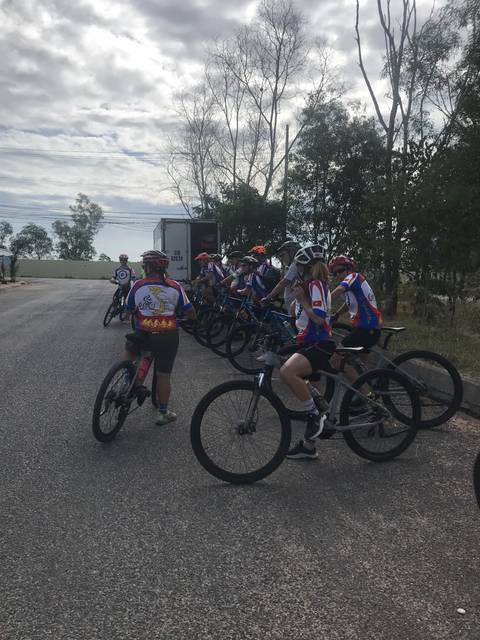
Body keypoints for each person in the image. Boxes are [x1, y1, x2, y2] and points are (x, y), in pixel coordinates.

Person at [123, 250, 196, 425]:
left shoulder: (138, 285)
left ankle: (125, 378)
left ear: (149, 267)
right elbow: (191, 312)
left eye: (144, 265)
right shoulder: (175, 286)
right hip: (167, 335)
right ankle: (163, 413)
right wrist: (187, 318)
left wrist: (134, 313)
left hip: (143, 332)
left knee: (129, 349)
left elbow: (127, 310)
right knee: (163, 375)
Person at [278, 244, 336, 460]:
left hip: (319, 343)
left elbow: (320, 319)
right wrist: (297, 303)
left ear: (303, 267)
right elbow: (301, 314)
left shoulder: (316, 285)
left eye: (298, 267)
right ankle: (309, 446)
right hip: (309, 341)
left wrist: (301, 300)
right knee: (311, 389)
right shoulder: (309, 286)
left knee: (287, 372)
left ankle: (313, 416)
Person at [328, 255, 382, 378]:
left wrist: (319, 304)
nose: (338, 275)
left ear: (349, 268)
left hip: (365, 329)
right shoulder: (352, 285)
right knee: (363, 368)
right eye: (335, 273)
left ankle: (364, 393)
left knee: (335, 361)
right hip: (368, 329)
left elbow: (339, 290)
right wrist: (337, 314)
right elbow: (349, 304)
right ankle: (369, 389)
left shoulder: (353, 277)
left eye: (340, 271)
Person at [261, 240, 300, 312]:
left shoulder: (295, 265)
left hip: (296, 309)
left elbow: (283, 283)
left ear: (291, 253)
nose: (281, 258)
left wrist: (268, 297)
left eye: (283, 255)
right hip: (292, 308)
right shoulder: (290, 267)